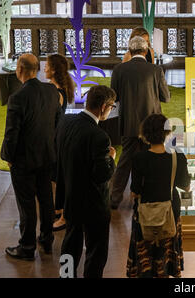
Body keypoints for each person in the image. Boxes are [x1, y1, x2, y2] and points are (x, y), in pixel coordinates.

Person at [1, 53, 62, 260]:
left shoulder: (17, 98)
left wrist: (8, 156)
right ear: (36, 69)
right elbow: (56, 123)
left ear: (20, 70)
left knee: (26, 204)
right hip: (46, 156)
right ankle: (46, 239)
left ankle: (27, 247)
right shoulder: (52, 92)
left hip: (24, 161)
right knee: (46, 200)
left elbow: (12, 133)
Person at [55, 85, 117, 278]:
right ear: (103, 107)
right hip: (93, 203)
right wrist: (111, 158)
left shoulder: (66, 122)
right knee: (96, 251)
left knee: (70, 244)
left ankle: (66, 276)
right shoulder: (99, 137)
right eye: (112, 107)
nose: (111, 110)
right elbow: (102, 175)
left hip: (71, 197)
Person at [127, 113, 190, 278]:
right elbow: (186, 186)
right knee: (167, 251)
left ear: (145, 134)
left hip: (145, 214)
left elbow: (135, 192)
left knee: (145, 255)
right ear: (167, 133)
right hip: (170, 212)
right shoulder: (177, 156)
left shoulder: (139, 158)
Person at [110, 36, 170, 209]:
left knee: (124, 161)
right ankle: (145, 196)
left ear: (129, 51)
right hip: (150, 126)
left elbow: (115, 97)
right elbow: (166, 97)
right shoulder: (155, 70)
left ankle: (114, 198)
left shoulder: (119, 70)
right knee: (149, 161)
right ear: (146, 51)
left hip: (128, 124)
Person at [44, 53, 75, 232]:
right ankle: (58, 209)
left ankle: (59, 211)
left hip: (53, 140)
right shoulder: (59, 89)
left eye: (47, 66)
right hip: (57, 138)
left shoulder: (53, 92)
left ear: (54, 70)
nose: (44, 68)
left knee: (55, 178)